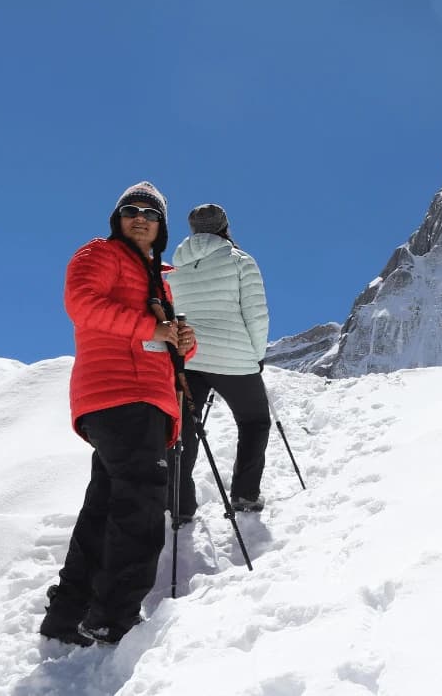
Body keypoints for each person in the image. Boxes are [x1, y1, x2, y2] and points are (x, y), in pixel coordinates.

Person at [40, 182, 196, 647]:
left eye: (151, 212)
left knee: (106, 507)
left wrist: (184, 340)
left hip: (142, 398)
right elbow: (83, 306)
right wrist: (153, 327)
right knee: (143, 506)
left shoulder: (159, 276)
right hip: (119, 393)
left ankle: (69, 615)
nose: (140, 217)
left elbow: (165, 341)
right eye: (131, 210)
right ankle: (114, 616)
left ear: (162, 225)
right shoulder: (100, 254)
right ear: (118, 219)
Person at [166, 203, 271, 520]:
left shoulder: (176, 265)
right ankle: (244, 495)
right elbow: (255, 312)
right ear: (225, 226)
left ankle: (179, 505)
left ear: (193, 230)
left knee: (183, 432)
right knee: (254, 422)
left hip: (189, 356)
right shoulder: (240, 260)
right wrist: (257, 356)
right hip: (234, 358)